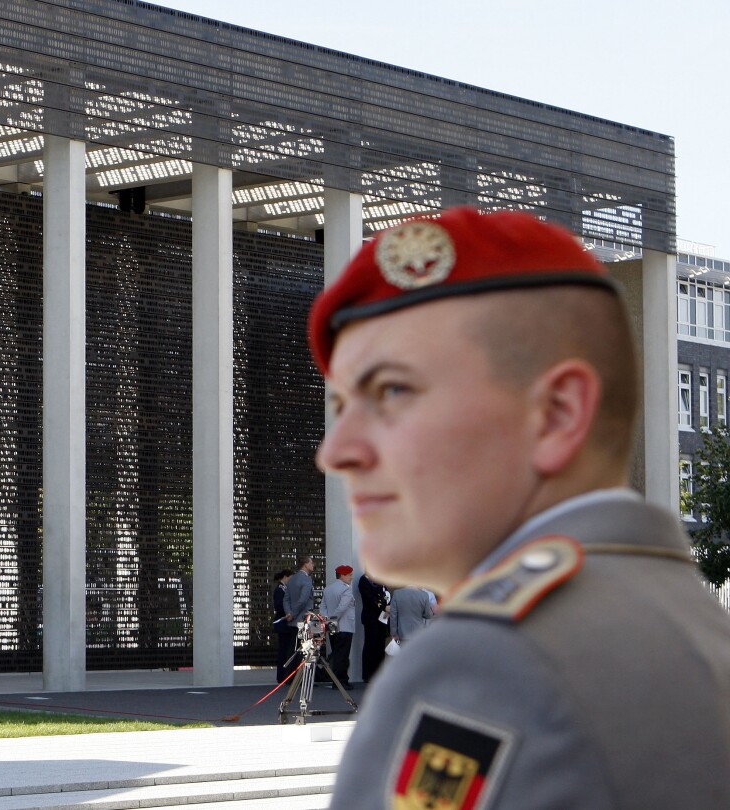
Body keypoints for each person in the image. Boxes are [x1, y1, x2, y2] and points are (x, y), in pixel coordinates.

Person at [311, 206, 730, 808]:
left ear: (558, 413)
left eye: (392, 391)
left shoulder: (483, 664)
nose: (338, 451)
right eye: (343, 406)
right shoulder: (690, 626)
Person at [321, 564, 356, 688]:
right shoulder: (346, 590)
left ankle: (338, 680)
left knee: (336, 653)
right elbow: (342, 607)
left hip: (332, 627)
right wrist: (334, 619)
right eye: (350, 575)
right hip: (345, 626)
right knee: (343, 654)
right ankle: (341, 682)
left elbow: (323, 607)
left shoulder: (328, 589)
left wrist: (328, 620)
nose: (351, 578)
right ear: (343, 575)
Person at [355, 569, 391, 682]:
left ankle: (379, 673)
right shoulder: (364, 581)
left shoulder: (379, 581)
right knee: (370, 645)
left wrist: (387, 605)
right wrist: (383, 606)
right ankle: (369, 674)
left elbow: (386, 594)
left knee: (380, 646)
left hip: (382, 618)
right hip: (371, 618)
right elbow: (369, 597)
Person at [270, 569, 296, 681]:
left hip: (285, 624)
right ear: (286, 576)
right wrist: (288, 612)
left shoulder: (283, 588)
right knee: (284, 651)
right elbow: (279, 606)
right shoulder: (280, 589)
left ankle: (284, 676)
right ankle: (282, 676)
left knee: (286, 650)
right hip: (283, 623)